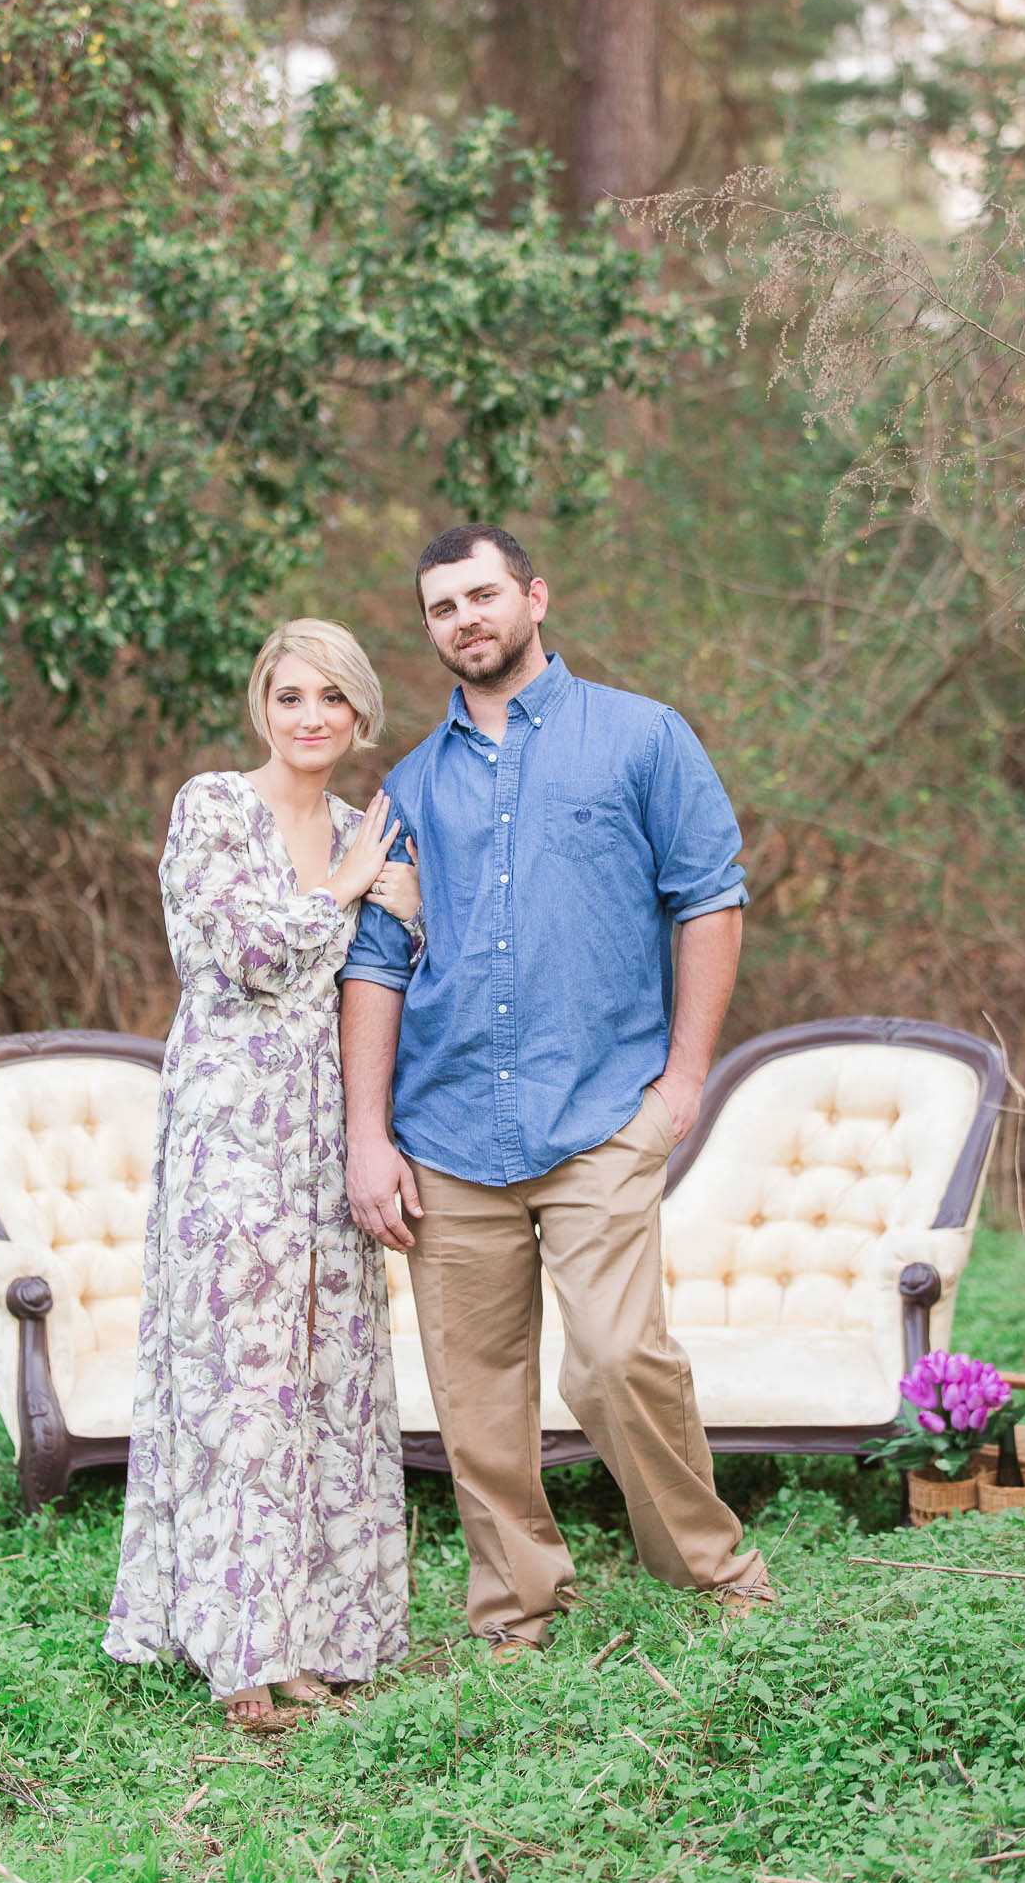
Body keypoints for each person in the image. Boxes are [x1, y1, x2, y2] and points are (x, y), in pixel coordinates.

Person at [339, 526, 772, 1662]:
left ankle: (713, 1573)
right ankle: (516, 1614)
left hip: (597, 1115)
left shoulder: (639, 736)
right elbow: (378, 963)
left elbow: (709, 899)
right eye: (440, 607)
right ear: (429, 629)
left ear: (533, 596)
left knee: (619, 1355)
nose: (464, 618)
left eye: (481, 594)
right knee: (476, 1397)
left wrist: (680, 1083)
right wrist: (367, 1135)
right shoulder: (408, 785)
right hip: (446, 1128)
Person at [105, 619, 418, 1726]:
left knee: (324, 1387)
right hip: (229, 1143)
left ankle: (309, 1643)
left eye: (332, 696)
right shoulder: (214, 806)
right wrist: (342, 891)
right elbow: (236, 958)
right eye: (290, 694)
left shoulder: (358, 825)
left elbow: (395, 967)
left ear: (361, 711)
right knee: (241, 1388)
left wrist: (396, 909)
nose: (310, 716)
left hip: (328, 1137)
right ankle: (239, 1653)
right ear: (261, 706)